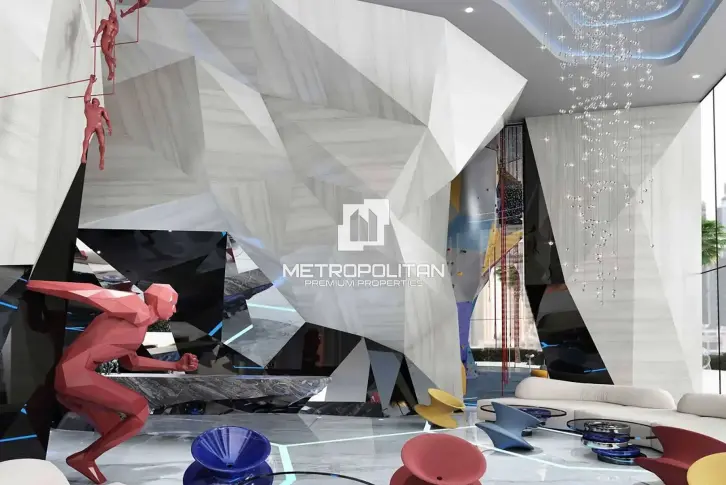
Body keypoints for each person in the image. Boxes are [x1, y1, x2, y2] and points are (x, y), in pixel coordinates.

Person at [26, 280, 199, 484]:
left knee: (113, 427)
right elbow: (90, 292)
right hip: (74, 375)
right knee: (139, 410)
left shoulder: (139, 326)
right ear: (158, 301)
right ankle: (84, 458)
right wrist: (34, 283)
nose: (174, 309)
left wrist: (176, 366)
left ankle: (86, 457)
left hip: (74, 378)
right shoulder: (136, 308)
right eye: (172, 303)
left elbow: (132, 362)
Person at [81, 75, 112, 170]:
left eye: (96, 100)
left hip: (99, 127)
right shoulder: (88, 105)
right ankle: (83, 155)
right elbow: (87, 95)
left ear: (98, 103)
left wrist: (109, 127)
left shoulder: (101, 109)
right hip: (90, 126)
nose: (95, 99)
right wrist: (91, 83)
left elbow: (107, 119)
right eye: (93, 99)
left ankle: (102, 159)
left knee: (102, 143)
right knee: (86, 139)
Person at [93, 0, 119, 81]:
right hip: (112, 40)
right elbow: (114, 13)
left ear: (110, 16)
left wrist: (96, 35)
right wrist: (110, 4)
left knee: (105, 52)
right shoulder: (116, 26)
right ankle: (111, 71)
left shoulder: (106, 22)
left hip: (106, 38)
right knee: (107, 55)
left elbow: (101, 28)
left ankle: (112, 58)